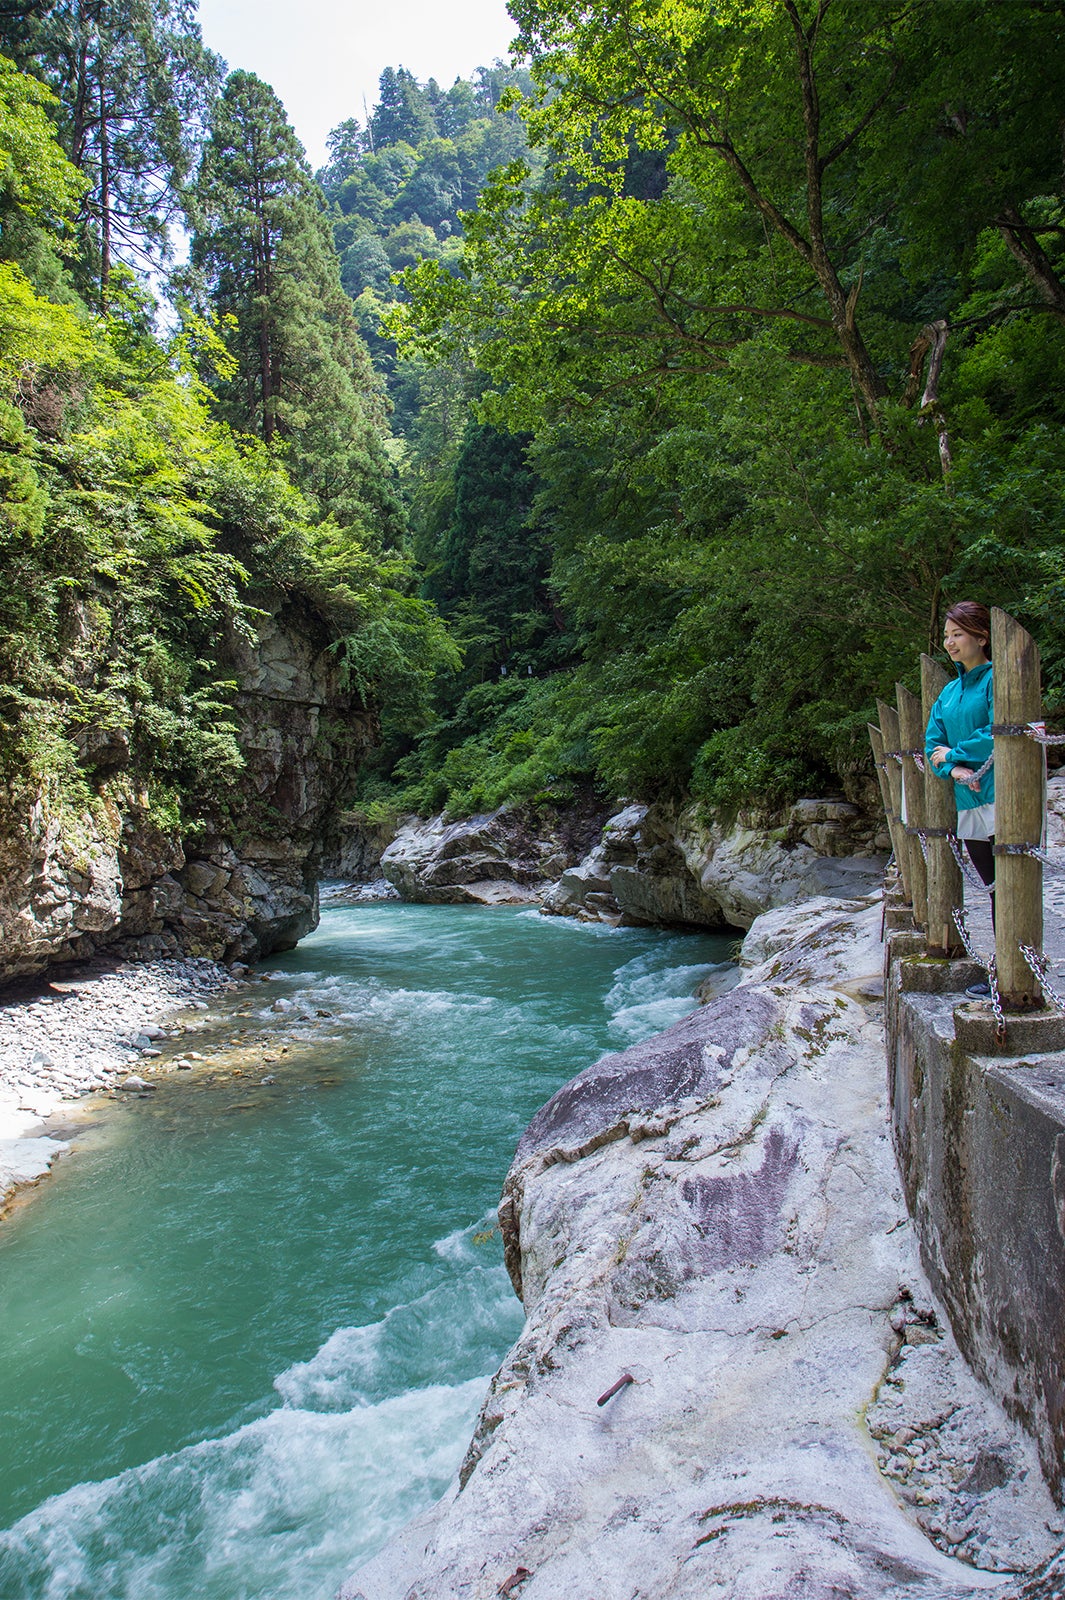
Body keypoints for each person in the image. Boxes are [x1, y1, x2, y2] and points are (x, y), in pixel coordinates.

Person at [925, 601, 994, 996]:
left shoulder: (997, 680)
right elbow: (932, 743)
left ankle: (1016, 973)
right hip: (968, 802)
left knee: (1014, 881)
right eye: (947, 635)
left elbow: (999, 729)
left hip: (1004, 792)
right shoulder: (948, 693)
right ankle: (1001, 969)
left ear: (981, 637)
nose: (950, 642)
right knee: (993, 887)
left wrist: (954, 755)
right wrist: (951, 769)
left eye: (958, 634)